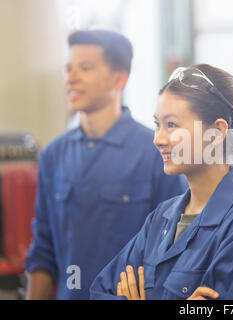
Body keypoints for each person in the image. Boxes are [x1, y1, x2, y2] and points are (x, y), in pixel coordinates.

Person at [89, 64, 233, 300]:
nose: (158, 139)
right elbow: (100, 291)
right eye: (157, 125)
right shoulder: (161, 218)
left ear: (217, 132)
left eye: (172, 125)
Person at [25, 30, 187, 300]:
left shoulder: (157, 153)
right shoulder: (53, 156)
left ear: (119, 79)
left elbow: (178, 251)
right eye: (69, 69)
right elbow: (43, 251)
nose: (71, 78)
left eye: (85, 68)